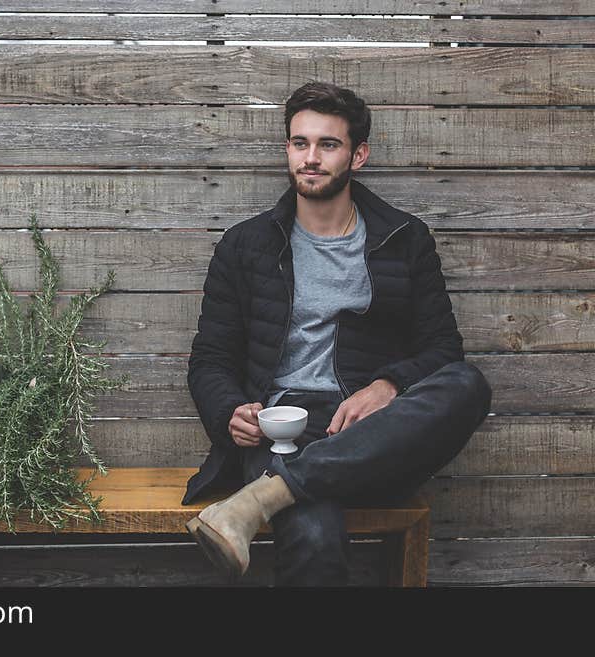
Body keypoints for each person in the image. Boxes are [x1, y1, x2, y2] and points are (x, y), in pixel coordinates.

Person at [183, 81, 492, 586]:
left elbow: (443, 350)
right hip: (281, 432)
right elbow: (211, 359)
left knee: (468, 384)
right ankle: (275, 488)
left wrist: (387, 387)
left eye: (328, 145)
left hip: (371, 436)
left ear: (358, 155)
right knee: (315, 539)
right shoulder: (245, 246)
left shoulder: (404, 239)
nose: (311, 157)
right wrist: (229, 413)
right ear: (287, 149)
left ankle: (261, 497)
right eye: (299, 143)